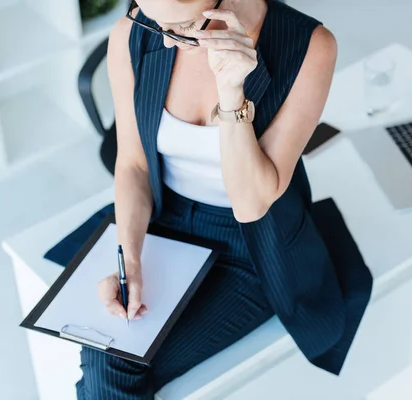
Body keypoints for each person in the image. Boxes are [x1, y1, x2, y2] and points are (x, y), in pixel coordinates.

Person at [64, 0, 373, 397]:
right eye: (159, 25)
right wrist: (131, 259)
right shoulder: (135, 31)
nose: (169, 42)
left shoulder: (309, 46)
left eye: (185, 25)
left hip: (253, 245)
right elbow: (133, 167)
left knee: (109, 363)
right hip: (163, 216)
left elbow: (251, 203)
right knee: (104, 349)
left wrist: (232, 94)